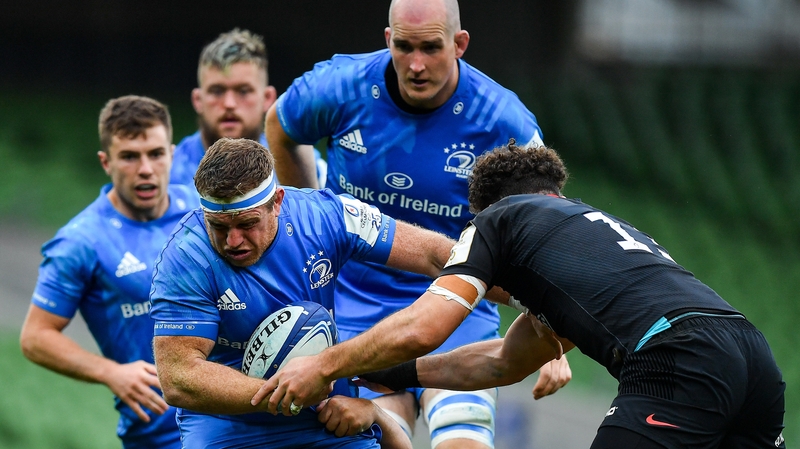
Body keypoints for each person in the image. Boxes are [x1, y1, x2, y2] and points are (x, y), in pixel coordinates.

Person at [256, 140, 787, 449]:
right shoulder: (593, 234)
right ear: (553, 193)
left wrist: (326, 364)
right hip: (750, 353)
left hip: (678, 358)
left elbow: (424, 326)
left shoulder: (498, 222)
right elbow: (501, 364)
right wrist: (392, 375)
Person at [266, 0, 570, 446]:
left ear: (459, 44)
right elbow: (280, 126)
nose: (416, 65)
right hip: (352, 313)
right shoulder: (341, 86)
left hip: (457, 311)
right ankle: (381, 413)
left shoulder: (502, 119)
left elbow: (547, 225)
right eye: (404, 47)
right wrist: (310, 223)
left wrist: (553, 333)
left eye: (431, 47)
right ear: (388, 40)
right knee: (372, 436)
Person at [149, 137, 457, 449]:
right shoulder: (186, 257)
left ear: (277, 201)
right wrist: (288, 393)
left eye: (247, 223)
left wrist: (508, 290)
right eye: (218, 226)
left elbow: (436, 255)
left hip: (326, 415)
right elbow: (179, 378)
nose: (233, 241)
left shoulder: (324, 216)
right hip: (227, 426)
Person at [19, 95, 198, 449]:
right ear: (106, 162)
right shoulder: (81, 241)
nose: (145, 168)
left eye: (156, 154)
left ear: (172, 154)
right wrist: (110, 372)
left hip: (236, 419)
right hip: (160, 434)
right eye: (130, 156)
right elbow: (35, 337)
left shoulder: (202, 211)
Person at [171, 28, 326, 189]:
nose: (229, 103)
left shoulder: (301, 166)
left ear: (268, 99)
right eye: (217, 91)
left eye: (243, 91)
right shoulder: (168, 176)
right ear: (198, 100)